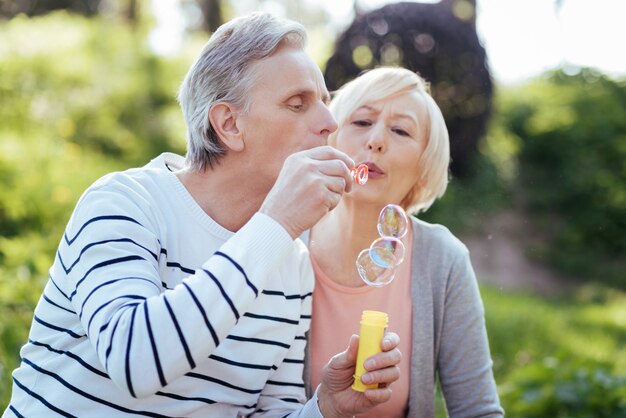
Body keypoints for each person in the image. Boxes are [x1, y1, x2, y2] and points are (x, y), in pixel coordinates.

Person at [3, 13, 401, 418]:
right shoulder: (123, 203)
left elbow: (269, 412)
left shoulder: (292, 263)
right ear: (229, 124)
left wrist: (325, 408)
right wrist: (276, 223)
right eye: (297, 104)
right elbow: (135, 360)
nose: (329, 123)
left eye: (325, 103)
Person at [305, 67, 504, 417]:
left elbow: (478, 410)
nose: (376, 140)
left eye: (400, 130)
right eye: (362, 122)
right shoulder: (286, 237)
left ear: (424, 167)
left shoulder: (442, 260)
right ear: (330, 138)